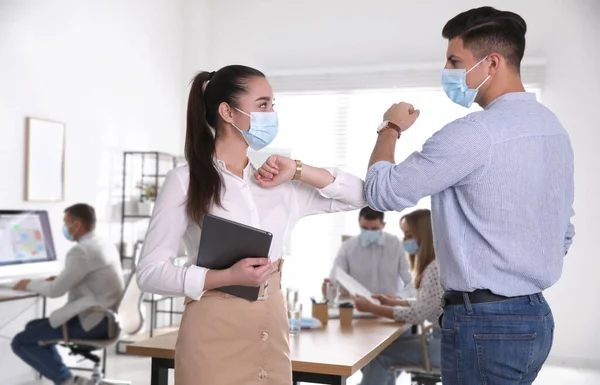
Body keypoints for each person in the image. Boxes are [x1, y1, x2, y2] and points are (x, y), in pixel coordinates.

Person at [364, 6, 575, 384]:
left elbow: (382, 192)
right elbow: (564, 231)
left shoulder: (473, 134)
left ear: (492, 63)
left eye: (454, 60)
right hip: (537, 318)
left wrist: (390, 126)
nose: (447, 72)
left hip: (484, 325)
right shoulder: (552, 130)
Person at [135, 65, 366, 385]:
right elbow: (149, 273)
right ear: (228, 112)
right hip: (211, 338)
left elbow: (363, 195)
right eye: (263, 105)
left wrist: (298, 169)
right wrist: (225, 276)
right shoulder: (185, 181)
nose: (272, 114)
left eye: (273, 105)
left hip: (269, 335)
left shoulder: (279, 184)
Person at [11, 204, 124, 385]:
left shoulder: (82, 251)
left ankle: (68, 380)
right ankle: (68, 378)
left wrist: (28, 284)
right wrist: (61, 278)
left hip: (93, 322)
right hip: (108, 319)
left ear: (77, 225)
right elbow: (88, 276)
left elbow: (55, 291)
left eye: (66, 223)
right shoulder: (103, 243)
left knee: (21, 341)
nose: (64, 228)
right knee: (33, 326)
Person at [354, 209, 443, 385]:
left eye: (409, 235)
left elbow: (417, 315)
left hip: (443, 347)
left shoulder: (434, 268)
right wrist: (394, 302)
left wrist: (373, 308)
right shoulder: (439, 264)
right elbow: (427, 303)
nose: (405, 240)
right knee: (381, 353)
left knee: (379, 355)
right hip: (443, 341)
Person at [322, 207, 412, 300]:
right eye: (364, 228)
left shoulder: (397, 245)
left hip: (390, 306)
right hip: (358, 305)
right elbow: (335, 277)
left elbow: (411, 282)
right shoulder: (348, 247)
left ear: (383, 225)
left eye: (374, 229)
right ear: (359, 224)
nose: (369, 232)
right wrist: (329, 287)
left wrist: (399, 296)